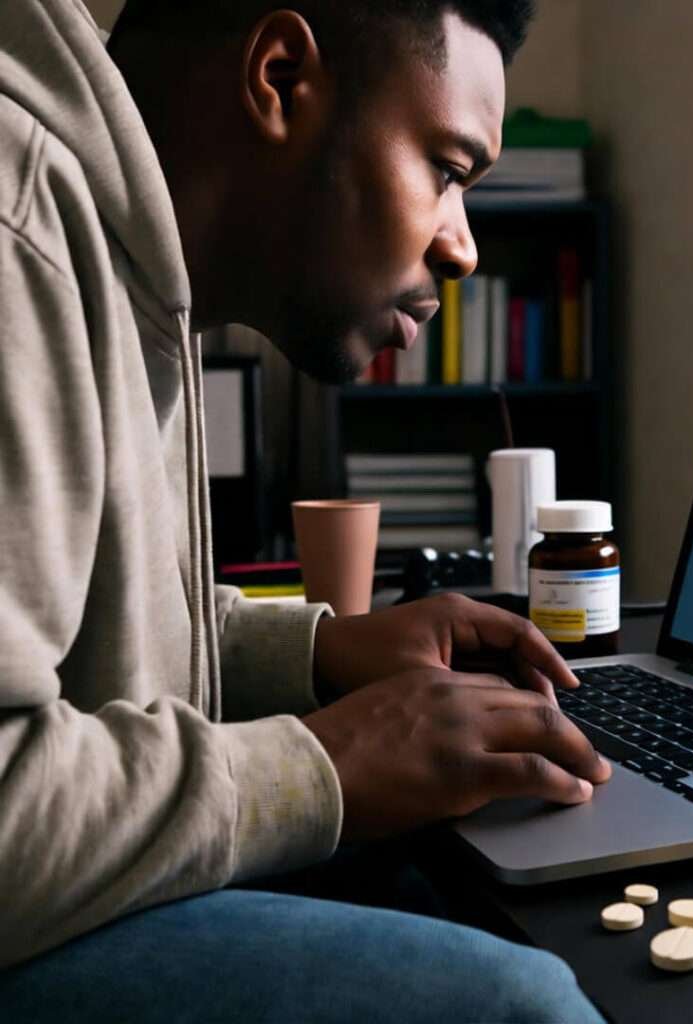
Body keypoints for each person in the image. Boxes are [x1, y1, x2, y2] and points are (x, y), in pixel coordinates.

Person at [0, 1, 611, 1019]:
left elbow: (93, 639)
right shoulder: (21, 233)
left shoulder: (141, 270)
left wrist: (322, 656)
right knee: (524, 1003)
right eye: (448, 170)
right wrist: (324, 759)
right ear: (280, 77)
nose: (462, 248)